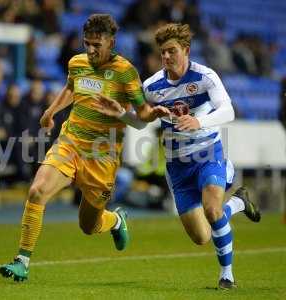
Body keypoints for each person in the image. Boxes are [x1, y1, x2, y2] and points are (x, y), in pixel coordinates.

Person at [0, 14, 169, 282]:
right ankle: (22, 261)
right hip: (71, 142)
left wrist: (153, 114)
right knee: (37, 190)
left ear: (111, 42)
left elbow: (143, 113)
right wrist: (51, 111)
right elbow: (70, 88)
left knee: (88, 226)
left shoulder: (126, 72)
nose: (90, 50)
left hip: (102, 155)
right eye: (86, 43)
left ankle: (115, 220)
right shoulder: (77, 63)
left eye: (96, 45)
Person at [93, 23, 261, 289]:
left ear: (186, 50)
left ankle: (226, 275)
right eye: (163, 53)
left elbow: (228, 110)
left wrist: (200, 122)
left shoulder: (205, 76)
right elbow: (141, 122)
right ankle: (238, 203)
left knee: (212, 209)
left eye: (172, 51)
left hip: (208, 154)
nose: (167, 57)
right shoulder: (152, 86)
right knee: (202, 236)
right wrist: (122, 114)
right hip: (177, 166)